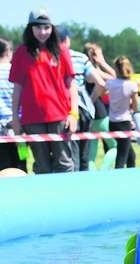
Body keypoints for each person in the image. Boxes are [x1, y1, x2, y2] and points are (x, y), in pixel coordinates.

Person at [9, 9, 78, 174]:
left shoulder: (61, 50)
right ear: (30, 29)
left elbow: (71, 84)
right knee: (42, 165)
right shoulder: (21, 52)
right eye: (38, 27)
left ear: (52, 28)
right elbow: (17, 88)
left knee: (64, 162)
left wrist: (74, 114)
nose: (42, 32)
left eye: (46, 27)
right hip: (32, 118)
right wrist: (15, 118)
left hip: (60, 116)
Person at [58, 26, 106, 171]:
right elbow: (101, 83)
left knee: (70, 153)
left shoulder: (52, 58)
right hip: (84, 111)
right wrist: (90, 100)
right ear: (67, 39)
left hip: (64, 110)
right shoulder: (81, 58)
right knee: (84, 152)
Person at [84, 42, 116, 163]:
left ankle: (92, 174)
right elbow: (115, 77)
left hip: (90, 115)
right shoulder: (93, 70)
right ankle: (104, 171)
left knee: (91, 153)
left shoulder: (84, 68)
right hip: (100, 114)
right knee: (115, 146)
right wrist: (102, 62)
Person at [103, 56, 138, 168]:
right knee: (122, 155)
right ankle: (118, 177)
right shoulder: (132, 85)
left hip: (112, 121)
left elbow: (101, 94)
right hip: (124, 121)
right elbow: (136, 107)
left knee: (131, 155)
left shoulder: (110, 83)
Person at [0, 38, 27, 173]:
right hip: (19, 127)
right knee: (22, 162)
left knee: (3, 167)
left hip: (1, 132)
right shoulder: (16, 71)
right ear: (9, 52)